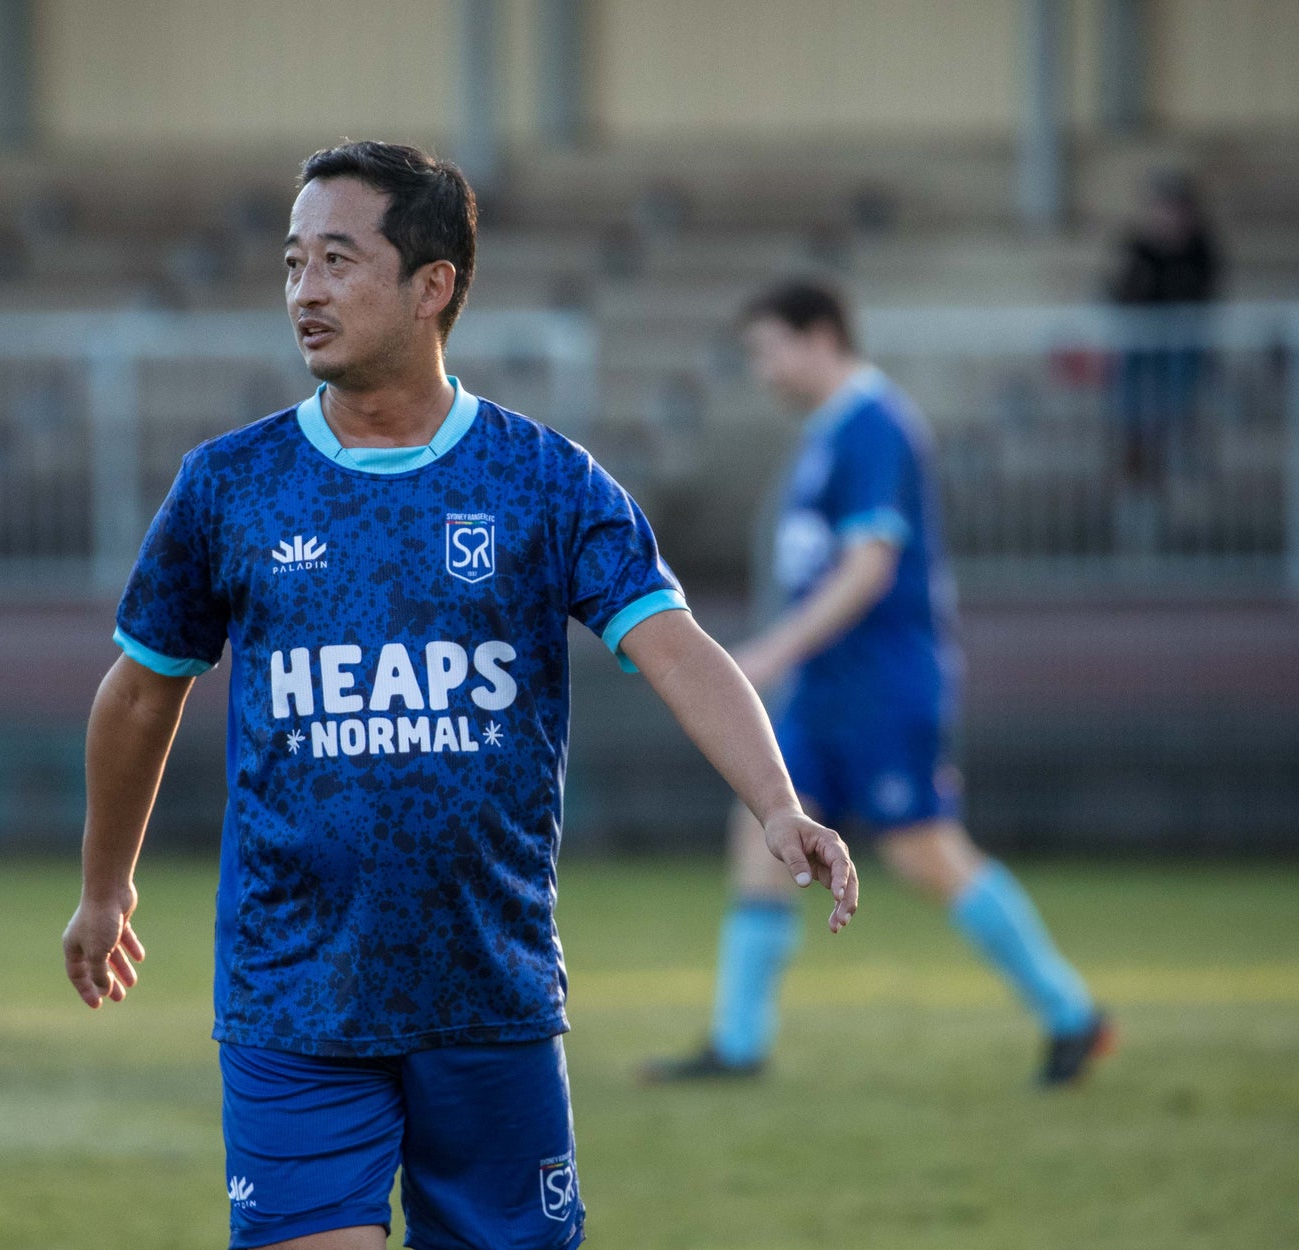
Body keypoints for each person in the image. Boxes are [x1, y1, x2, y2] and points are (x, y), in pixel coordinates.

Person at [60, 142, 858, 1250]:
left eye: (337, 260)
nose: (304, 290)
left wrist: (775, 802)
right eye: (292, 262)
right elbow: (141, 693)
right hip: (292, 992)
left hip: (487, 991)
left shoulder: (541, 481)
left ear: (432, 284)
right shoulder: (227, 486)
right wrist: (106, 888)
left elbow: (673, 647)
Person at [643, 278, 1110, 1089]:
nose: (763, 372)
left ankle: (1073, 1015)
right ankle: (738, 1043)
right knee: (762, 831)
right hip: (829, 689)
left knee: (924, 851)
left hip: (883, 683)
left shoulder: (874, 426)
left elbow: (869, 568)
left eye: (768, 351)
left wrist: (773, 652)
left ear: (819, 336)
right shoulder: (833, 432)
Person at [1106, 172, 1223, 512]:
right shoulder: (1138, 247)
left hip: (1183, 344)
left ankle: (1173, 439)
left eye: (1172, 208)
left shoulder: (1202, 248)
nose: (1165, 216)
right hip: (1144, 343)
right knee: (1128, 369)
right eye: (1159, 208)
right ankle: (1136, 447)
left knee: (1179, 364)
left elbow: (1199, 296)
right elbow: (1122, 294)